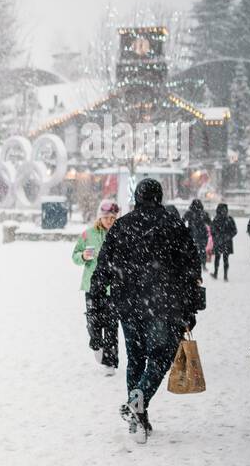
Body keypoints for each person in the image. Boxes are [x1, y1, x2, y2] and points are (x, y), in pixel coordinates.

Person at [90, 179, 202, 443]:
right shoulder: (173, 225)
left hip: (128, 305)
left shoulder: (122, 226)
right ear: (159, 196)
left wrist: (96, 297)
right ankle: (139, 398)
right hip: (164, 305)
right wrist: (190, 306)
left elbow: (103, 264)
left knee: (136, 358)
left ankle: (138, 413)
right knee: (161, 358)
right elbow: (191, 268)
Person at [72, 200, 120, 373]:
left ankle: (110, 362)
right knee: (93, 322)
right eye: (106, 217)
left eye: (113, 218)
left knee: (111, 324)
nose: (109, 221)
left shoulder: (119, 234)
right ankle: (96, 344)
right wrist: (83, 256)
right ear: (100, 217)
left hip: (113, 287)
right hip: (92, 287)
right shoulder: (88, 234)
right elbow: (74, 256)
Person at [210, 202, 238, 281]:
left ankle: (216, 273)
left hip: (219, 242)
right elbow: (235, 231)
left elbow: (212, 231)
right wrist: (228, 236)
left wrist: (216, 237)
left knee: (217, 258)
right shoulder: (229, 219)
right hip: (227, 242)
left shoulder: (216, 219)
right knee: (225, 259)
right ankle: (225, 275)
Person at [183, 199, 211, 272]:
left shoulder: (189, 213)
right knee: (202, 251)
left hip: (192, 234)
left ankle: (191, 265)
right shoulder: (204, 213)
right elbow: (210, 223)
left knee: (192, 251)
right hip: (202, 235)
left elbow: (182, 221)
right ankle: (203, 265)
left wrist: (186, 229)